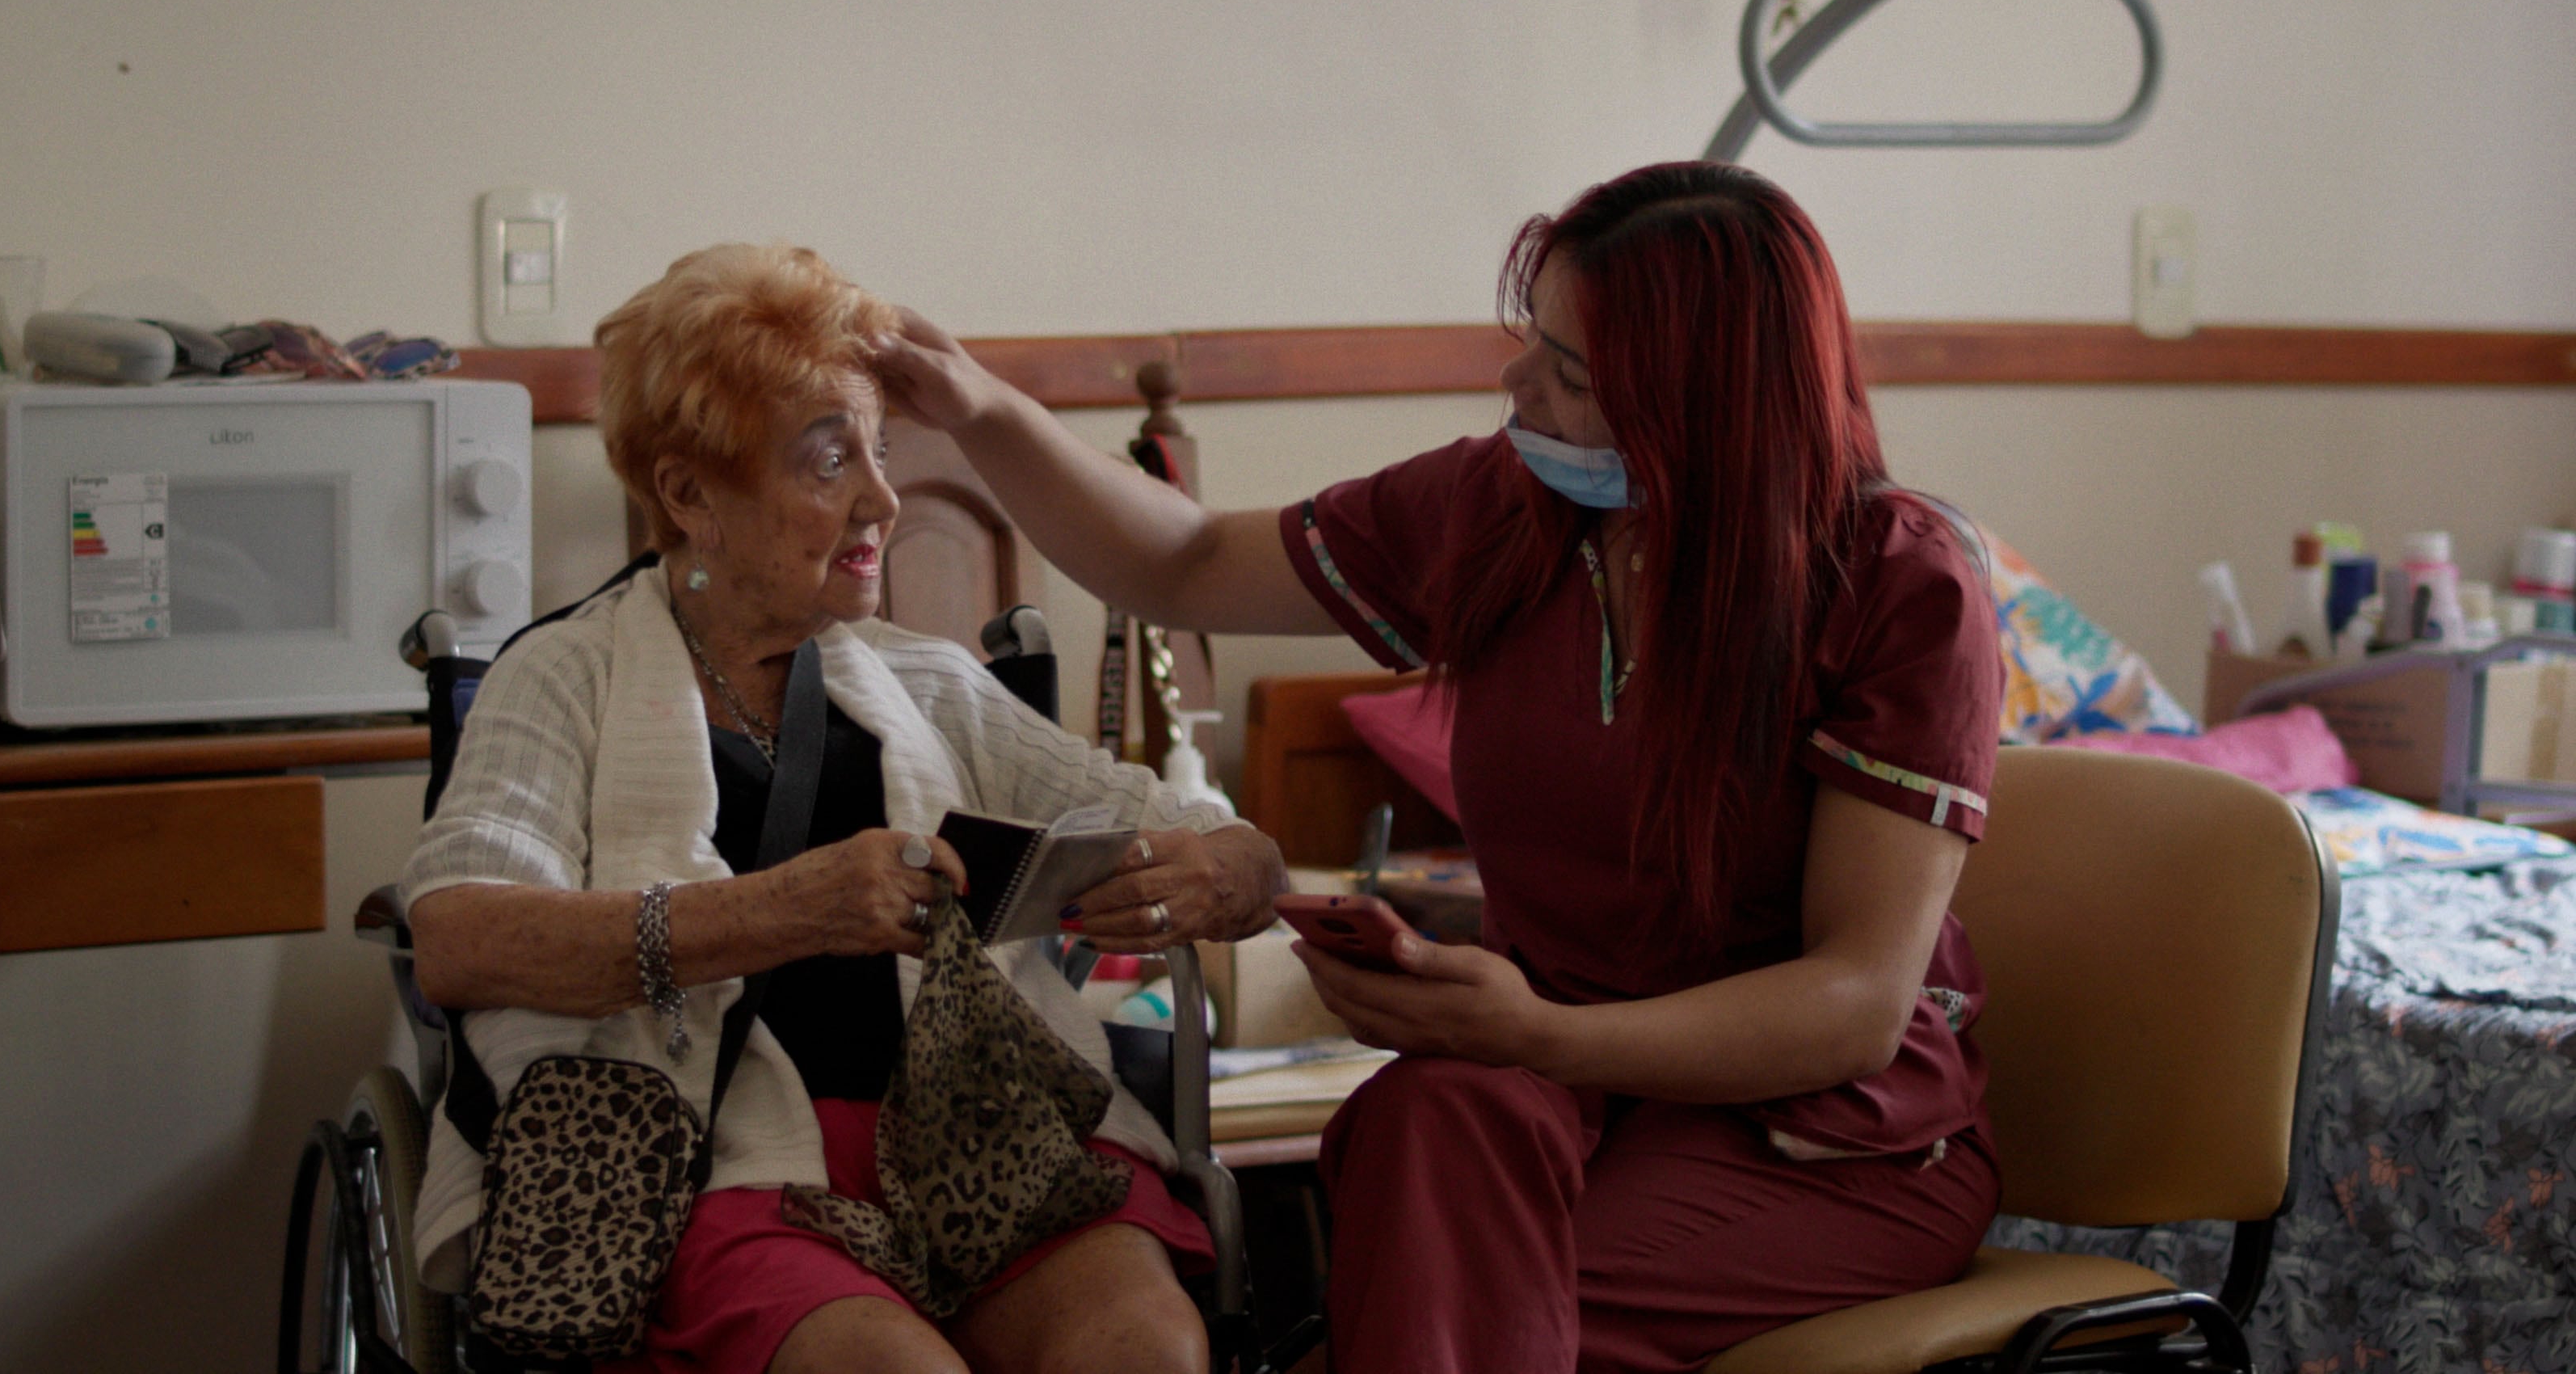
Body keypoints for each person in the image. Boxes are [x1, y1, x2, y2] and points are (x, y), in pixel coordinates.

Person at [877, 162, 2006, 1372]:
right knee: (1425, 1118)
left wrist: (1541, 1035)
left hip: (1821, 1141)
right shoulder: (1509, 509)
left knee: (1433, 1318)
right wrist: (979, 409)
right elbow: (1190, 562)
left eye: (1569, 373)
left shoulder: (1897, 583)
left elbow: (1852, 1008)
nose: (1517, 385)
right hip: (1556, 1085)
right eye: (1533, 343)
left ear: (1703, 405)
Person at [401, 243, 1289, 1374]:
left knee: (1145, 1349)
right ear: (687, 494)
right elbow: (458, 938)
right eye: (830, 462)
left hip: (978, 1144)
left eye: (879, 450)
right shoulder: (562, 678)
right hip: (725, 1168)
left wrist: (1229, 871)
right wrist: (786, 911)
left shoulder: (923, 681)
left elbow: (1198, 826)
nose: (883, 498)